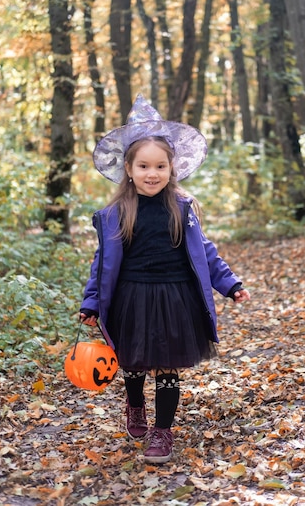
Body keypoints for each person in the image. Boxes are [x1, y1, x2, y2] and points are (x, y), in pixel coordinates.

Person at [80, 94, 250, 464]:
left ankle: (163, 431)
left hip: (175, 297)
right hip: (132, 297)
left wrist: (230, 284)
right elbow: (102, 262)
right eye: (143, 166)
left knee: (168, 363)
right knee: (134, 362)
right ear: (128, 167)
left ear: (173, 168)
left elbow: (205, 252)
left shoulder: (183, 208)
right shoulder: (115, 213)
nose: (152, 173)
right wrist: (91, 301)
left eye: (160, 166)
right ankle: (136, 404)